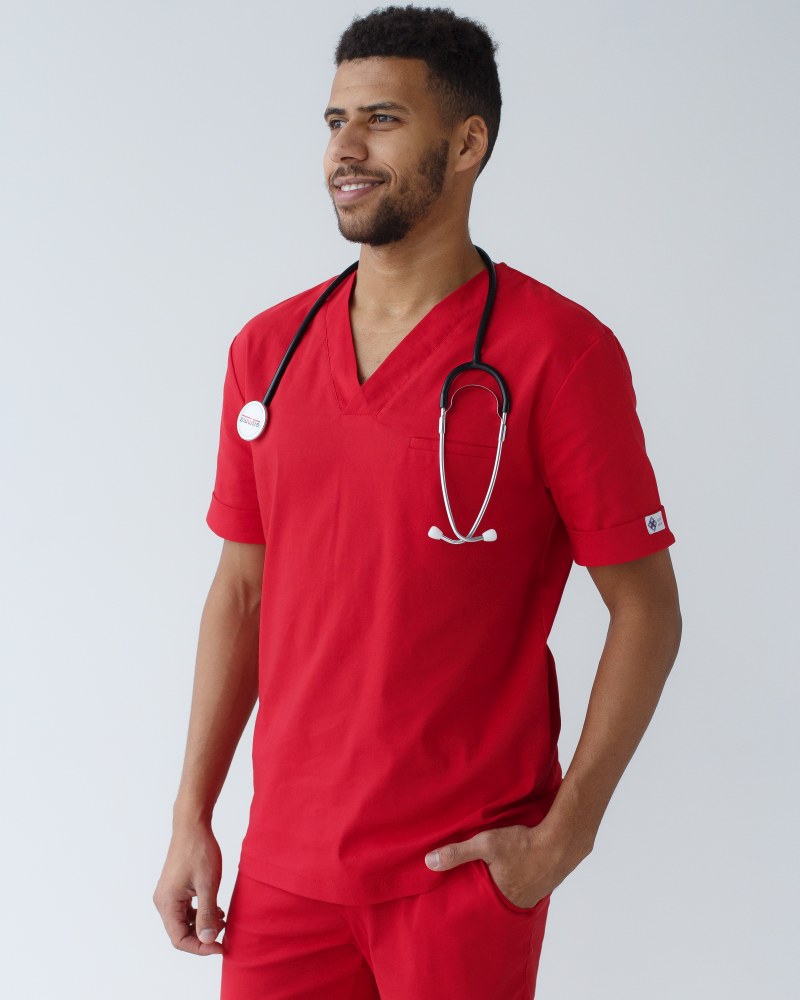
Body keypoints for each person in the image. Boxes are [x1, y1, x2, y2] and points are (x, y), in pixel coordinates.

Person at [152, 6, 682, 998]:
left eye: (382, 119)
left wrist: (563, 836)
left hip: (459, 871)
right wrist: (193, 815)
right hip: (284, 870)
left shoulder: (558, 354)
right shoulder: (269, 351)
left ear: (467, 143)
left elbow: (646, 607)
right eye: (334, 121)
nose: (344, 150)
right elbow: (240, 594)